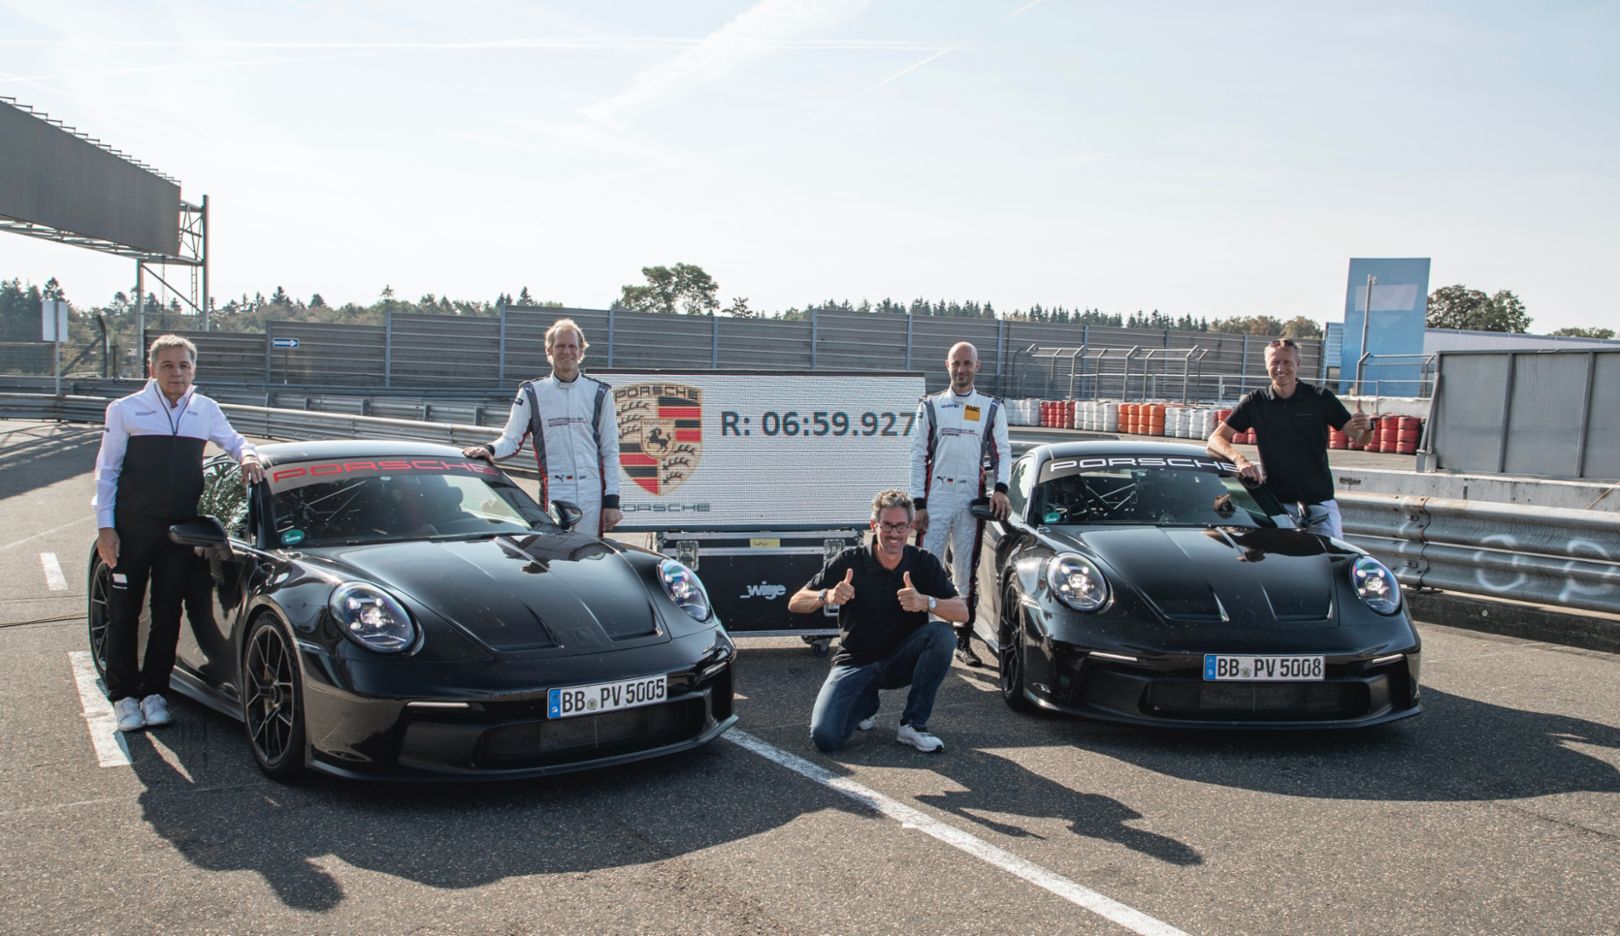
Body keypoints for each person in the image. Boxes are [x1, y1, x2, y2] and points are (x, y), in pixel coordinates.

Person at [92, 334, 264, 732]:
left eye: (184, 365)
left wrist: (249, 455)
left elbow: (235, 441)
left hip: (179, 534)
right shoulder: (125, 410)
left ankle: (154, 694)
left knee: (167, 614)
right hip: (132, 528)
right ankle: (123, 696)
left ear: (194, 369)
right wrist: (106, 527)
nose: (177, 372)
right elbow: (107, 471)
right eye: (168, 365)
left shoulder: (205, 409)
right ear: (151, 370)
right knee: (124, 614)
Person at [789, 489, 968, 754]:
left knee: (942, 635)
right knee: (825, 738)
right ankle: (866, 702)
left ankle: (913, 725)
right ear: (874, 525)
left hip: (900, 661)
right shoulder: (850, 560)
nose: (894, 534)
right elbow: (795, 601)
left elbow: (962, 613)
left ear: (910, 527)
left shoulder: (923, 562)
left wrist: (926, 602)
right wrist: (826, 595)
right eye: (887, 525)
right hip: (856, 661)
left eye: (901, 526)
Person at [464, 318, 622, 537]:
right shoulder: (531, 393)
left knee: (591, 557)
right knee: (554, 556)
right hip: (555, 490)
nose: (567, 352)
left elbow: (610, 450)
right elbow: (511, 439)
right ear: (549, 350)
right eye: (560, 346)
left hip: (592, 493)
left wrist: (612, 501)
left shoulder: (600, 393)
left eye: (572, 346)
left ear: (581, 351)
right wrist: (489, 450)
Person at [908, 341, 1011, 667]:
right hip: (935, 497)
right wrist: (918, 503)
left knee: (965, 571)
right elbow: (917, 454)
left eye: (968, 363)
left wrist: (1001, 489)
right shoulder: (930, 405)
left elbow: (1003, 453)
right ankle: (919, 636)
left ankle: (962, 640)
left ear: (977, 366)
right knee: (926, 566)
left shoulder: (991, 407)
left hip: (970, 498)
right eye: (956, 363)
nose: (962, 369)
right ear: (947, 365)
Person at [1206, 337, 1371, 538]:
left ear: (1298, 365)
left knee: (1332, 563)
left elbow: (1361, 438)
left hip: (1320, 504)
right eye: (1275, 362)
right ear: (1267, 365)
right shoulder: (1256, 402)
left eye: (1287, 362)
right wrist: (1240, 461)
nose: (1280, 368)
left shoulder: (1320, 398)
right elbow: (1215, 439)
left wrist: (1368, 427)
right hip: (1277, 506)